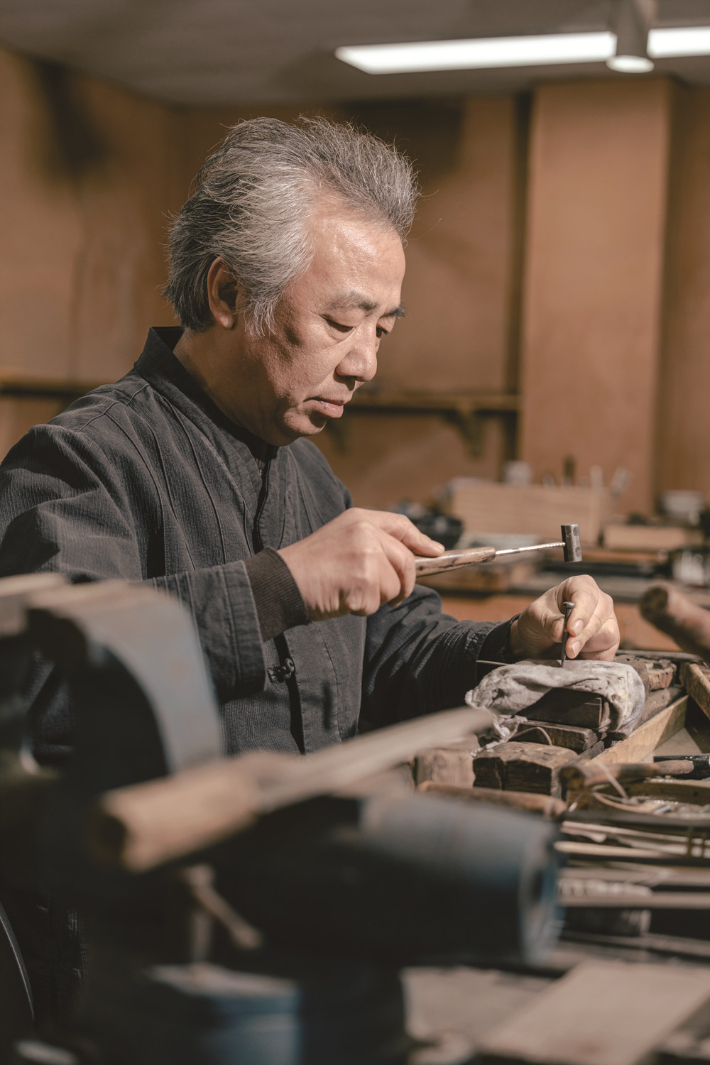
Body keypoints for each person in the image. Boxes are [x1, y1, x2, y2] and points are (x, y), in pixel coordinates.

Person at [0, 116, 618, 1022]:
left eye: (383, 326)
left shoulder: (308, 472)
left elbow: (388, 654)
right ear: (227, 292)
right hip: (139, 961)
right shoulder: (83, 461)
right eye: (340, 321)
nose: (365, 361)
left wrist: (513, 639)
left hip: (306, 919)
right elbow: (43, 686)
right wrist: (280, 586)